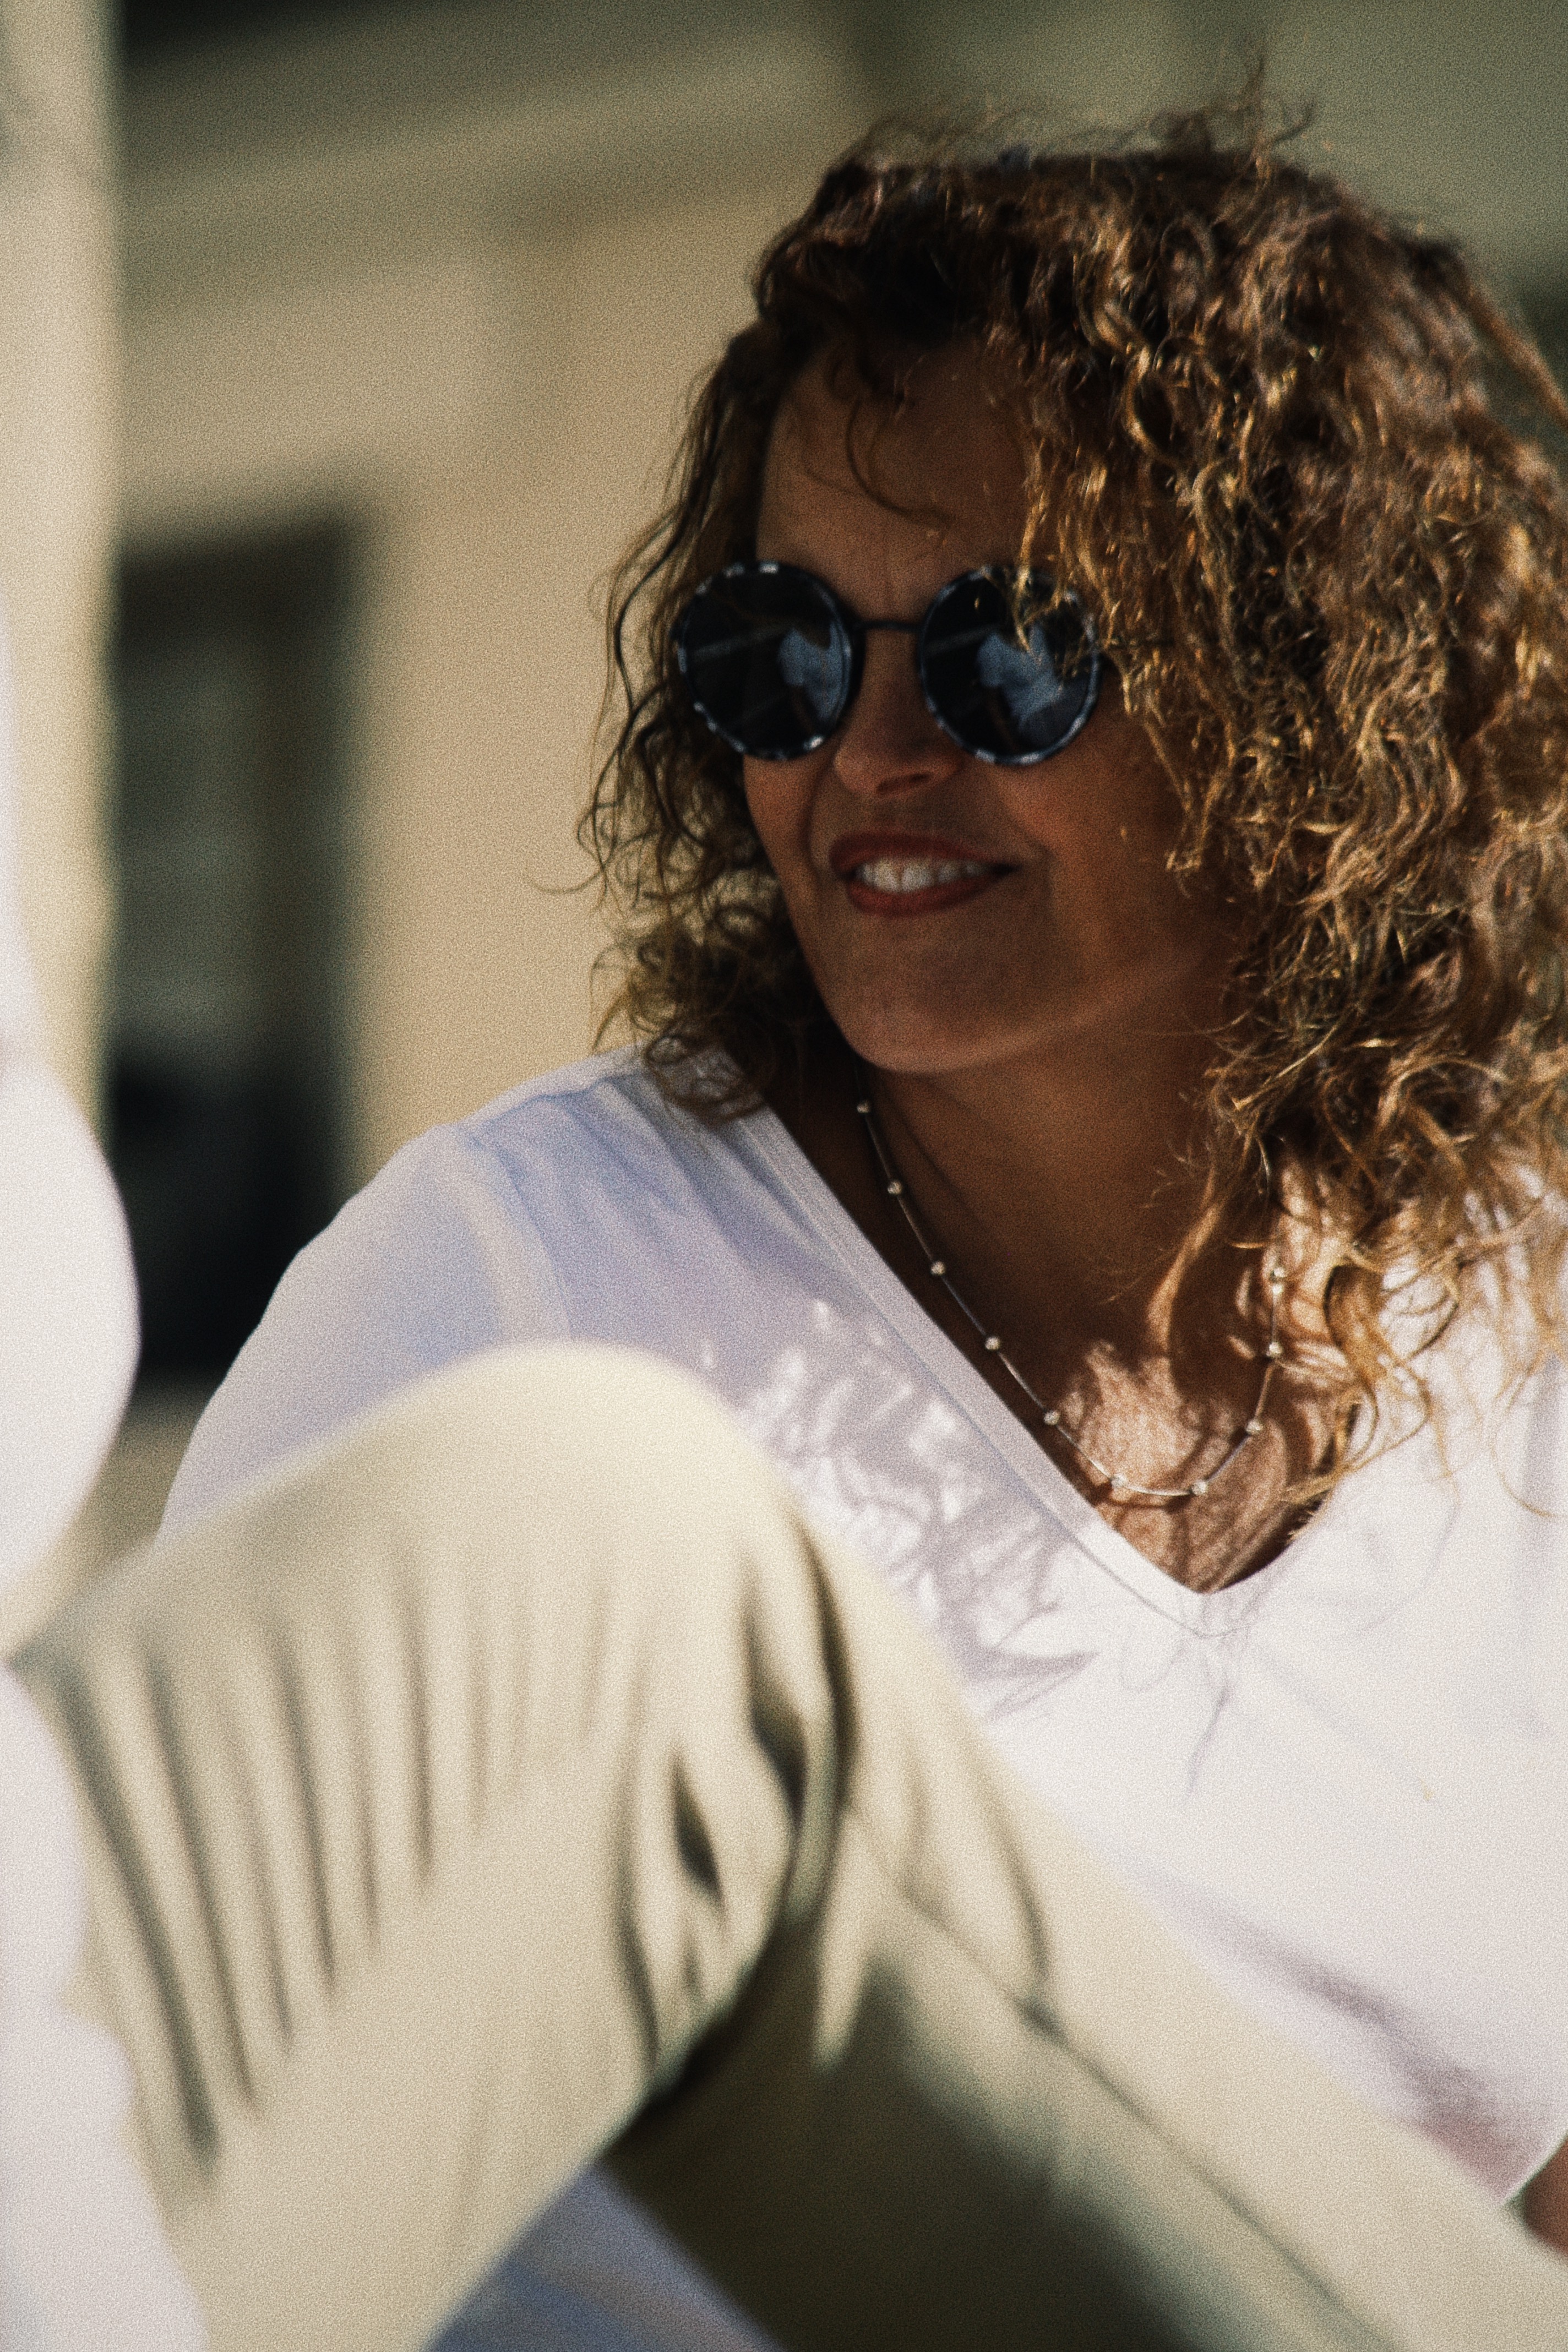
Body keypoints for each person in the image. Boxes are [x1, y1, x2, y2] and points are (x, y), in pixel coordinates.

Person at [158, 113, 1568, 2350]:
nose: (874, 748)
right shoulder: (513, 1293)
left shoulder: (1527, 1345)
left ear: (1312, 705)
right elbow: (128, 2157)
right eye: (783, 649)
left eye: (1014, 652)